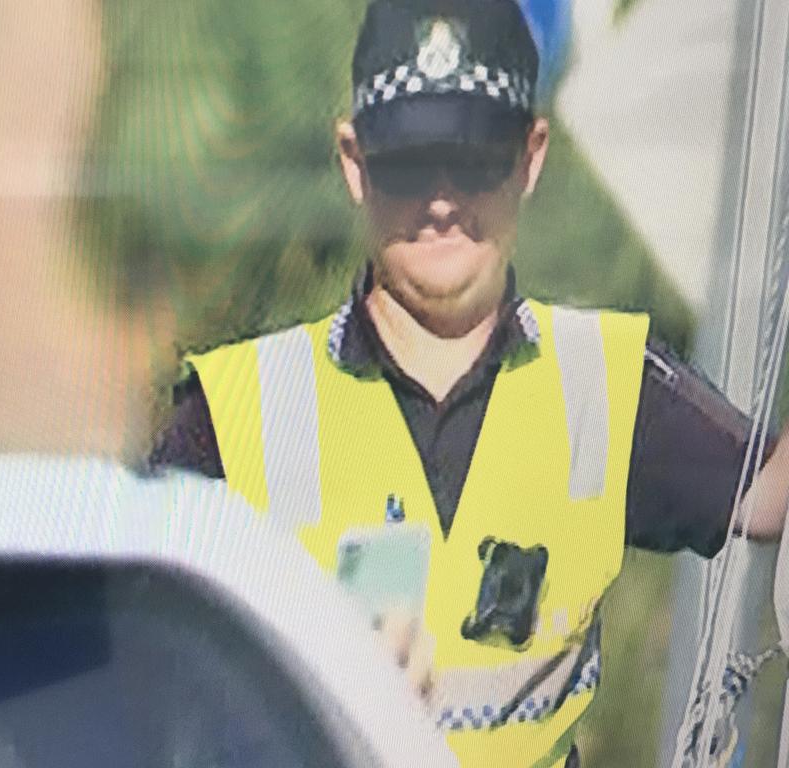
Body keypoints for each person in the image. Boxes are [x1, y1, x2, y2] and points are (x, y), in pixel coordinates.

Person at [148, 0, 789, 765]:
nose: (443, 199)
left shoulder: (605, 381)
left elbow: (772, 489)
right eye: (413, 158)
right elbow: (126, 670)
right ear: (356, 162)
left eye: (477, 156)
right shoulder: (230, 414)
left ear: (530, 156)